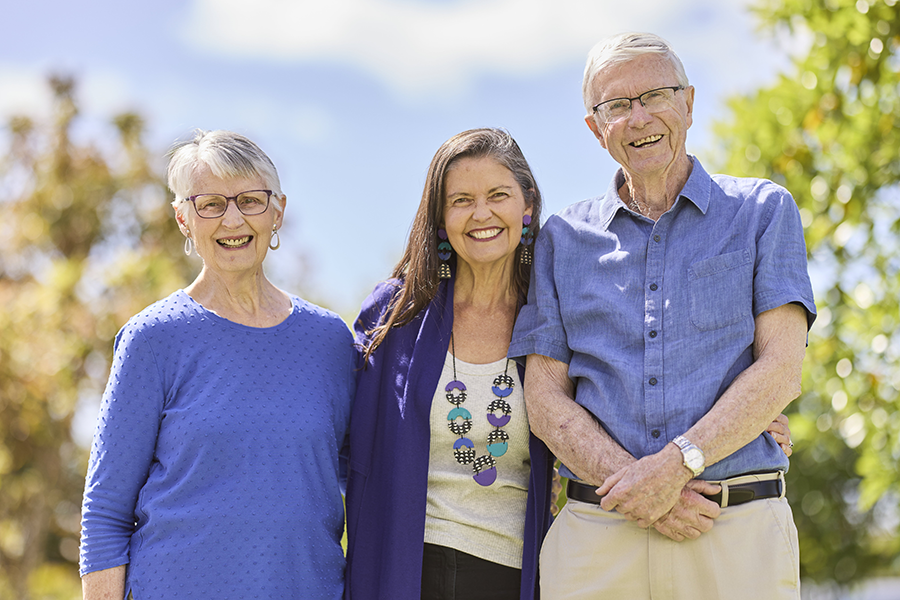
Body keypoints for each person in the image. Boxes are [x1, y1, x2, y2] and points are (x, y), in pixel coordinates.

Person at [509, 32, 816, 600]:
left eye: (655, 95)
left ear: (690, 103)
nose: (639, 116)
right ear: (595, 128)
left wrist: (674, 468)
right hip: (599, 536)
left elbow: (780, 371)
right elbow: (545, 398)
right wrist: (641, 488)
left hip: (735, 531)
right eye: (617, 106)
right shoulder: (560, 240)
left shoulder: (762, 212)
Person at [79, 130, 354, 599]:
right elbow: (105, 512)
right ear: (183, 218)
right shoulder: (153, 338)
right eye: (210, 204)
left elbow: (363, 481)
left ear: (277, 211)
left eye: (250, 200)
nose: (232, 218)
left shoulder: (329, 341)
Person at [345, 128, 554, 600]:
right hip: (402, 570)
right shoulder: (393, 316)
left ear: (528, 205)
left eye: (498, 195)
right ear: (441, 219)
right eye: (461, 200)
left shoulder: (554, 316)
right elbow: (331, 431)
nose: (481, 214)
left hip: (512, 571)